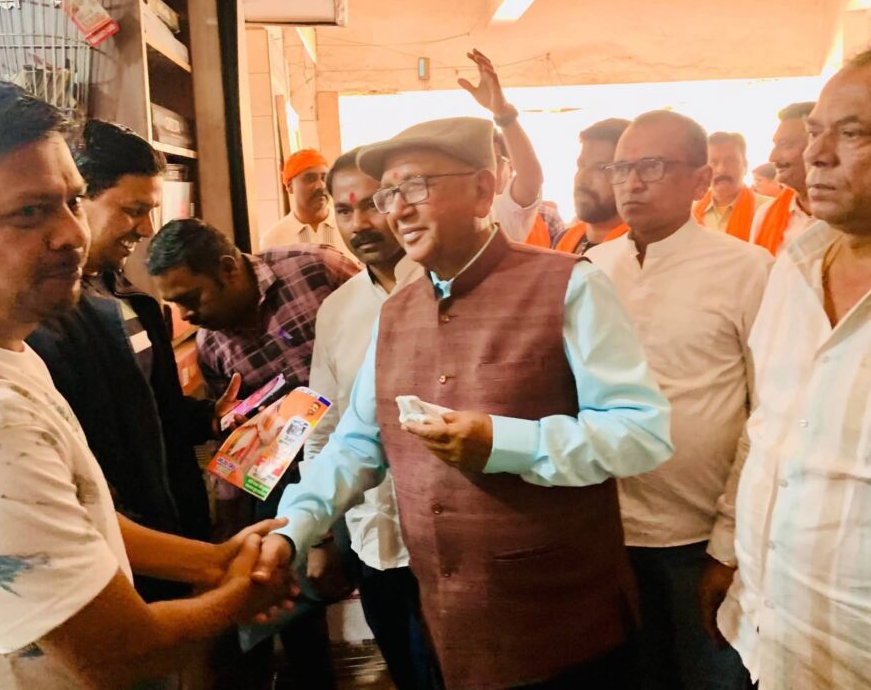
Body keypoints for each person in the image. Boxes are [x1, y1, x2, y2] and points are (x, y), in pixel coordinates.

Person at [253, 116, 675, 689]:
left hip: (564, 624)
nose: (398, 210)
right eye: (388, 194)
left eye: (416, 186)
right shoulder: (395, 315)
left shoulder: (569, 286)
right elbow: (356, 443)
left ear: (482, 190)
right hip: (449, 623)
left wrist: (505, 443)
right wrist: (291, 531)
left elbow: (641, 433)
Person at [0, 68, 290, 690]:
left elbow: (79, 517)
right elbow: (120, 655)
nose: (73, 233)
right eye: (29, 212)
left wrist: (214, 561)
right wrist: (244, 592)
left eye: (72, 200)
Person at [718, 40, 871, 689]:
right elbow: (767, 427)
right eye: (816, 131)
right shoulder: (794, 267)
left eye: (853, 133)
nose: (816, 154)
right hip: (774, 641)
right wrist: (728, 552)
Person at [587, 110, 772, 690]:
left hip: (703, 541)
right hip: (609, 536)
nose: (631, 183)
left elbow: (769, 412)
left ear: (700, 181)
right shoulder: (592, 269)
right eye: (620, 168)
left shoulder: (747, 269)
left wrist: (728, 545)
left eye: (651, 167)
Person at [27, 121, 238, 605]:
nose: (146, 230)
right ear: (78, 199)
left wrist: (208, 417)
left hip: (170, 531)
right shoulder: (44, 320)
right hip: (119, 554)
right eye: (133, 211)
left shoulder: (127, 296)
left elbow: (149, 410)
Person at [146, 218, 359, 690]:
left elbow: (384, 316)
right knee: (288, 593)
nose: (186, 315)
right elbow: (245, 443)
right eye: (175, 304)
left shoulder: (316, 269)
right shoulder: (211, 346)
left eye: (191, 298)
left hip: (372, 457)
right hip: (291, 483)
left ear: (228, 269)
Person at [303, 147, 436, 689]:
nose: (359, 224)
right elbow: (323, 428)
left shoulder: (450, 287)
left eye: (372, 204)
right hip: (375, 540)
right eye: (344, 210)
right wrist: (317, 537)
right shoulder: (338, 310)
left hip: (456, 541)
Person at [458, 49, 545, 244]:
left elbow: (531, 178)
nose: (485, 171)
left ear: (511, 167)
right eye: (476, 164)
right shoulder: (460, 211)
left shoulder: (507, 210)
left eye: (494, 161)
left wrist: (503, 114)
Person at [259, 148, 355, 259]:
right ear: (289, 187)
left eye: (324, 178)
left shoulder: (351, 227)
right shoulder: (273, 240)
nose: (321, 185)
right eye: (310, 178)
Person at [555, 118, 632, 254]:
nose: (583, 178)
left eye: (600, 168)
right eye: (581, 165)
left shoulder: (640, 249)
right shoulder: (565, 239)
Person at [750, 102, 817, 256]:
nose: (772, 157)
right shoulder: (765, 215)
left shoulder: (852, 217)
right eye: (775, 145)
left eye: (786, 145)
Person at [694, 132, 772, 240]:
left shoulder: (770, 210)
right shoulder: (689, 214)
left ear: (745, 165)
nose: (721, 169)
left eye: (730, 161)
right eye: (713, 162)